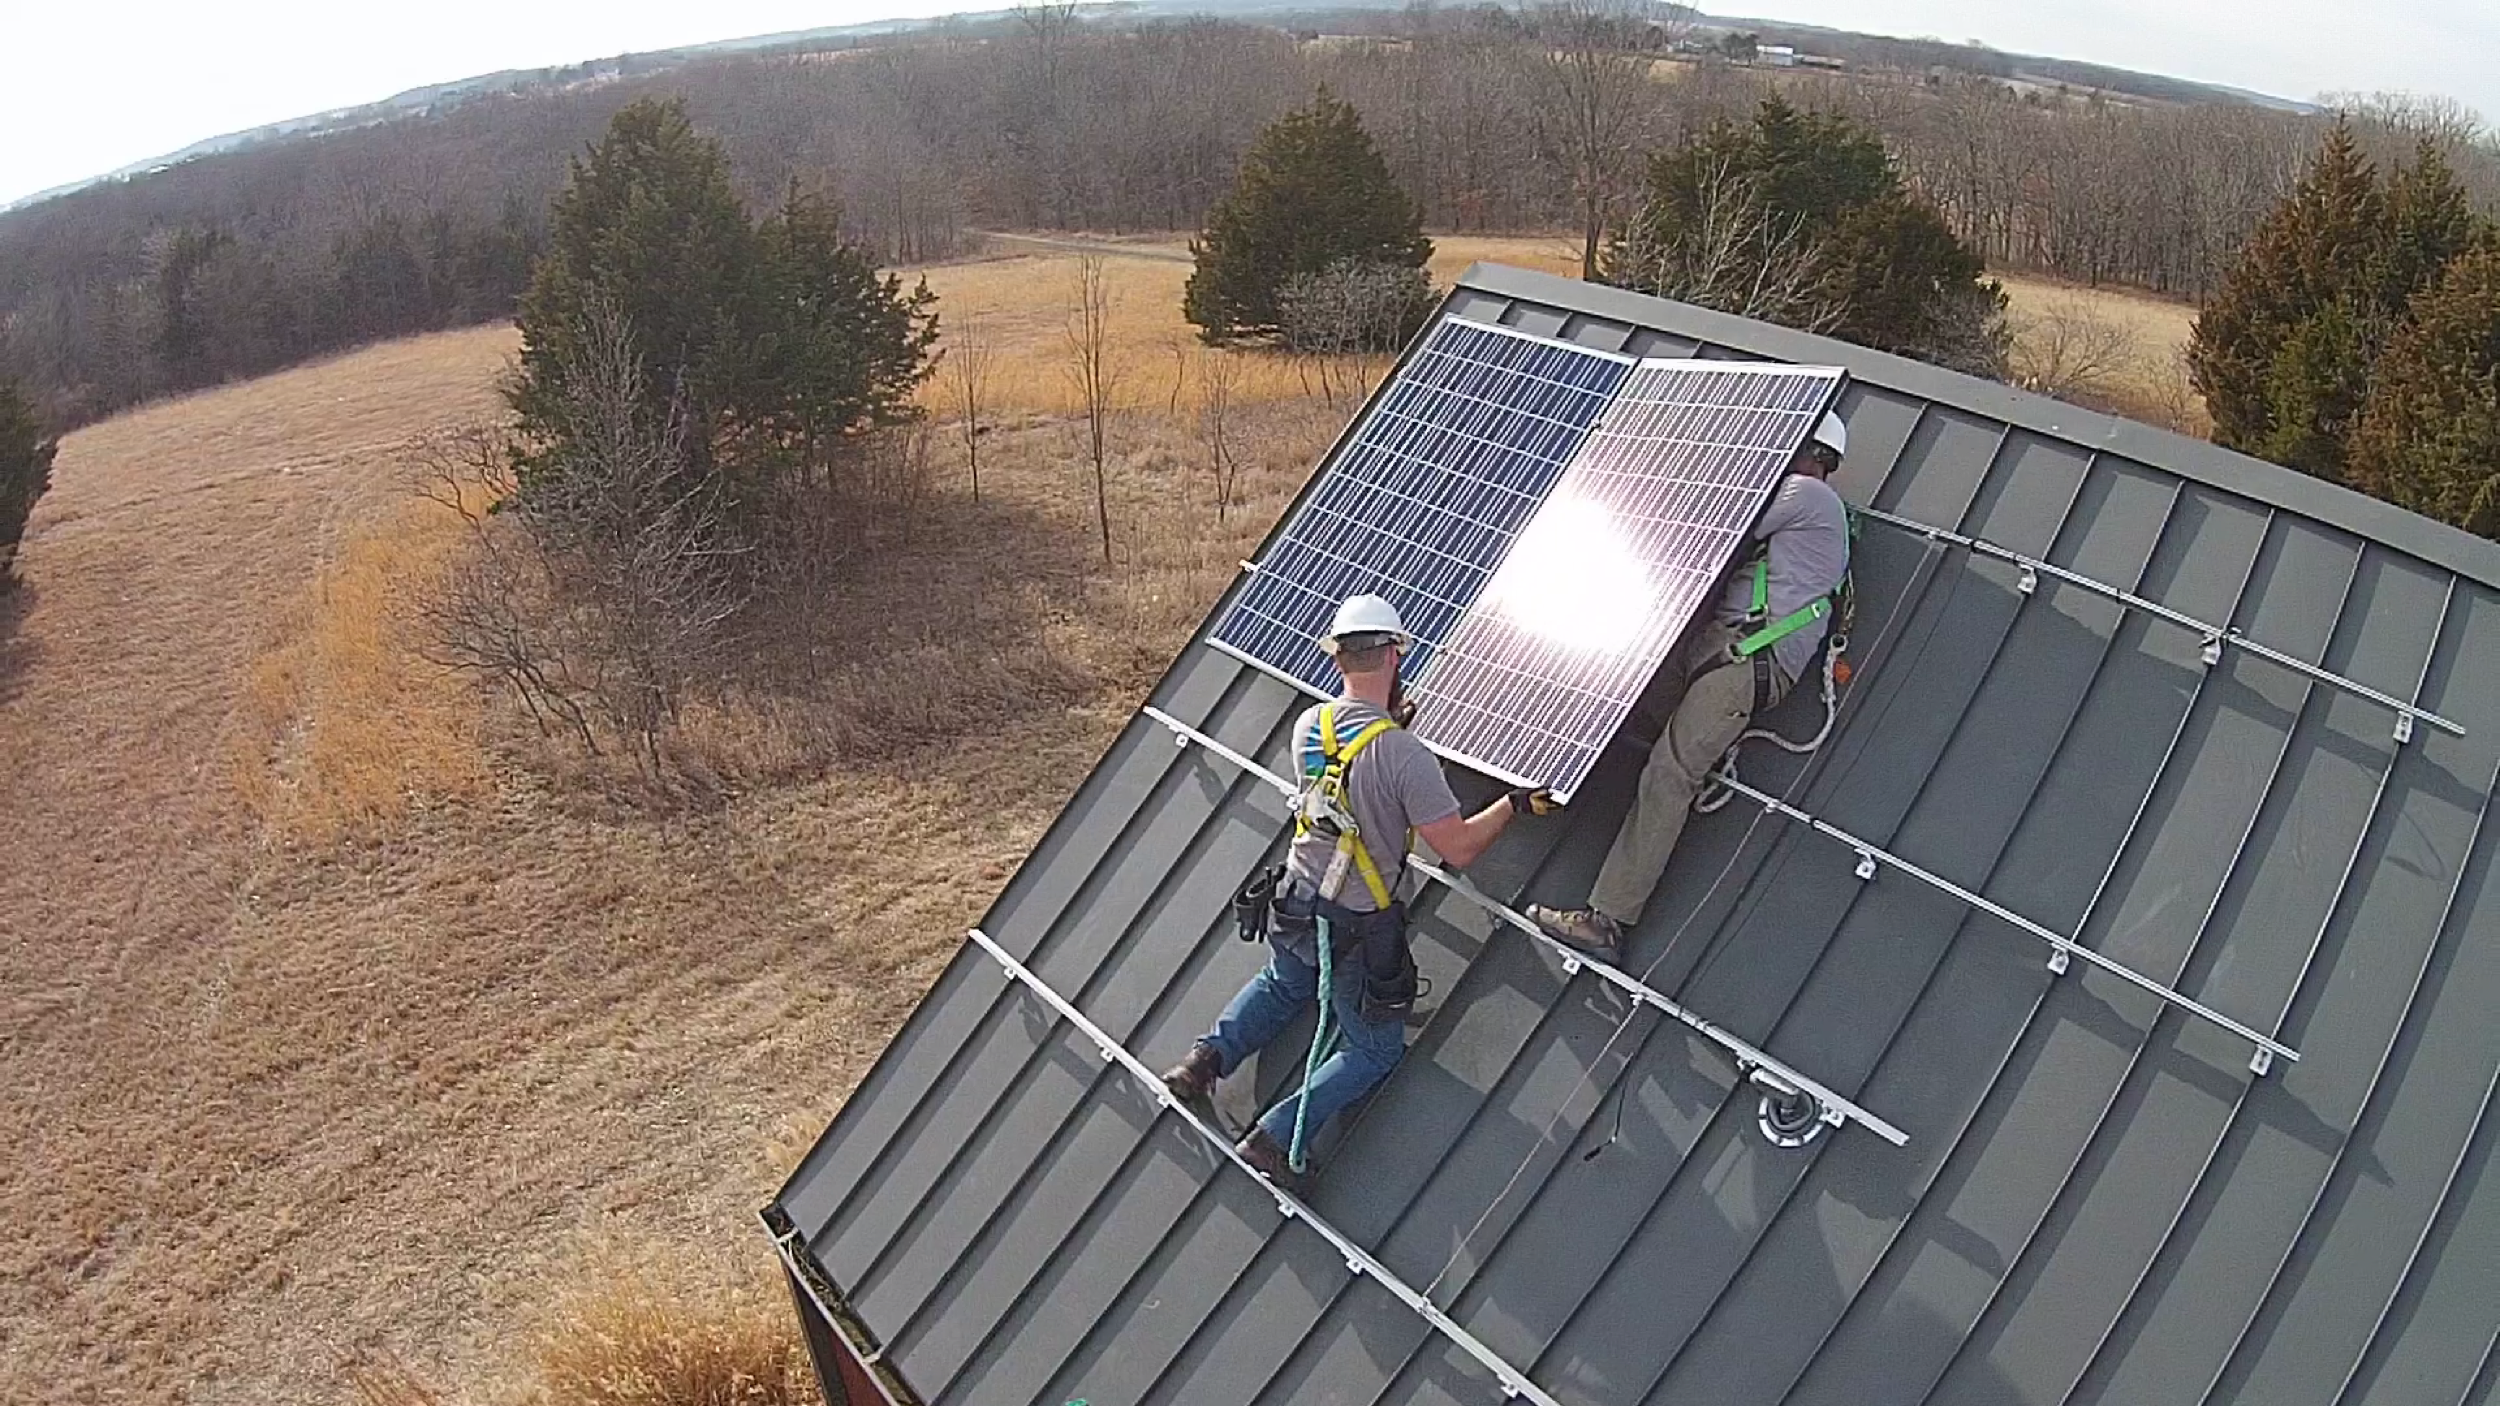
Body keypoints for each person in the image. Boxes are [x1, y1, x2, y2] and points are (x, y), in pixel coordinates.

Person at [1161, 593, 1550, 1184]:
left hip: (1296, 902)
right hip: (1355, 931)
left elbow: (1351, 779)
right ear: (1395, 655)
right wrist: (1512, 804)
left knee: (1284, 982)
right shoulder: (1404, 755)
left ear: (1337, 658)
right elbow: (1460, 847)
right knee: (1374, 1050)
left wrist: (1390, 733)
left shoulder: (1307, 727)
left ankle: (1203, 1062)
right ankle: (1275, 1137)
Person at [1529, 410, 1853, 960]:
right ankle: (1542, 781)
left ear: (1810, 451)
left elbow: (1722, 526)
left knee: (1669, 774)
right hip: (1720, 647)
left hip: (1746, 660)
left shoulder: (1806, 494)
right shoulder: (1808, 508)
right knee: (1612, 695)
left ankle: (1607, 919)